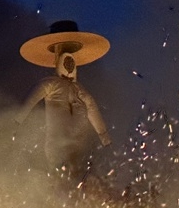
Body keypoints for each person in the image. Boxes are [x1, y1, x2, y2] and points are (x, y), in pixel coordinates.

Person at [16, 21, 112, 178]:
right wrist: (17, 120)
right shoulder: (53, 85)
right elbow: (32, 99)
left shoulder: (76, 90)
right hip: (59, 147)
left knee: (74, 175)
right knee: (64, 175)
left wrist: (103, 135)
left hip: (77, 148)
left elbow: (92, 108)